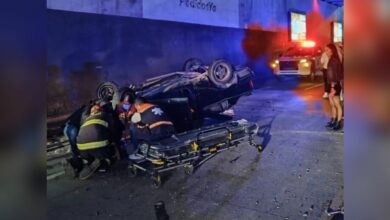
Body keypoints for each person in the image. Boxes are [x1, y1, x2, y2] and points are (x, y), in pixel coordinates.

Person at [76, 103, 116, 180]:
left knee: (90, 153)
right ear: (101, 110)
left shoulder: (85, 118)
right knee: (109, 148)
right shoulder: (105, 115)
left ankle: (88, 161)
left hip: (82, 149)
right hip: (99, 148)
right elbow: (114, 130)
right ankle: (102, 161)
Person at [324, 43, 343, 131]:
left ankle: (339, 123)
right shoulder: (331, 59)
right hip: (331, 84)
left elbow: (334, 75)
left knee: (337, 104)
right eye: (325, 50)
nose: (326, 52)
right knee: (332, 104)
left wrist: (332, 87)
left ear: (332, 51)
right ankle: (334, 120)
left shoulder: (334, 60)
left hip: (334, 84)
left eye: (327, 50)